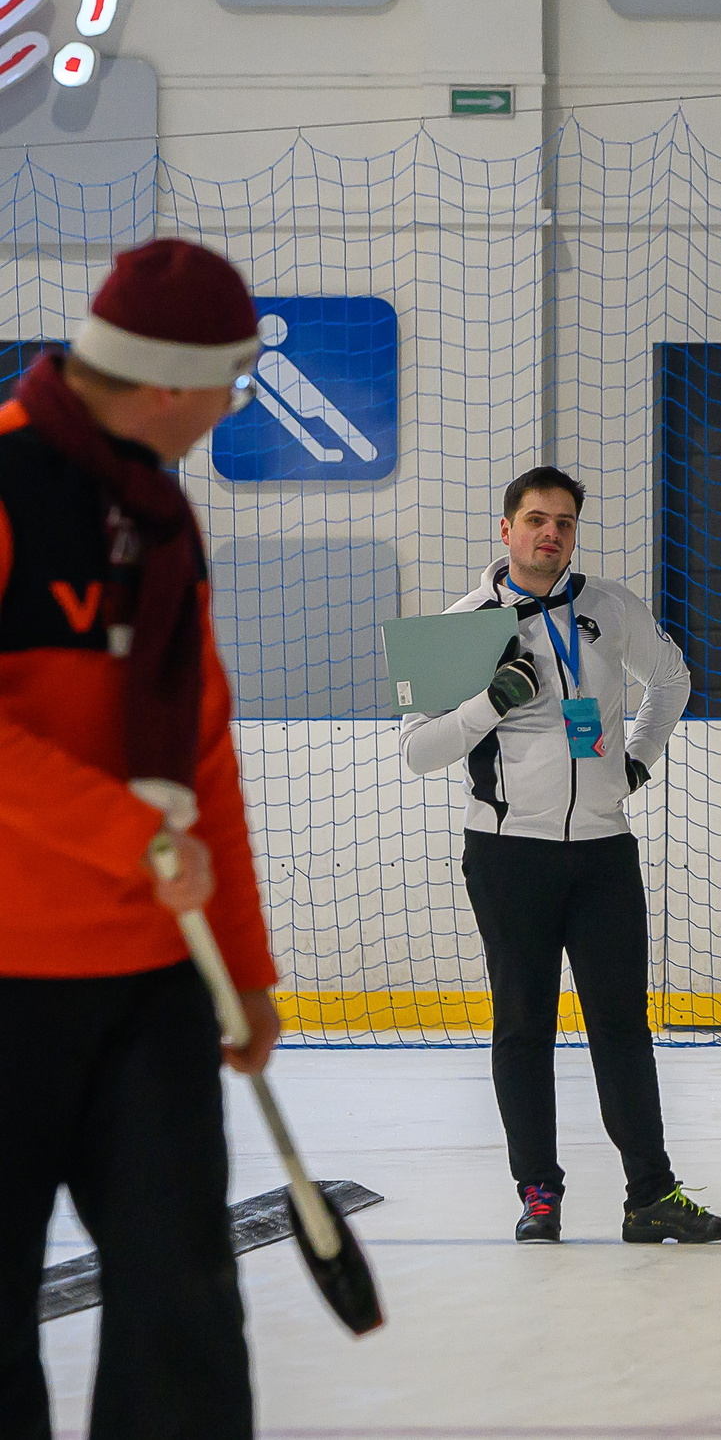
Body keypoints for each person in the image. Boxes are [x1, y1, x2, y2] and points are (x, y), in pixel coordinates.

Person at [0, 239, 282, 1440]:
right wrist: (127, 833)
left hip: (153, 991)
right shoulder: (7, 482)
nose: (230, 408)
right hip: (9, 981)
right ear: (171, 383)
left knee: (183, 1318)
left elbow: (202, 752)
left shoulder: (164, 521)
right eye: (232, 385)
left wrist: (245, 969)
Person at [399, 467, 721, 1246]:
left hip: (603, 851)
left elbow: (673, 679)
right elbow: (416, 749)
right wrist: (490, 702)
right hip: (506, 854)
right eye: (536, 519)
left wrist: (637, 762)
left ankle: (650, 1194)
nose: (550, 533)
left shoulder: (609, 607)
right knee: (523, 1026)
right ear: (507, 529)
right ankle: (538, 1194)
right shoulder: (462, 625)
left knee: (623, 1025)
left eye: (564, 522)